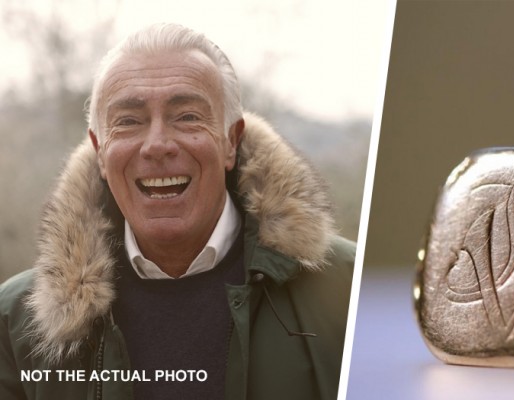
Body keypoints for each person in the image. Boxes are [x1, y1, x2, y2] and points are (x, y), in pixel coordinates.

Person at [0, 23, 355, 400]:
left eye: (187, 116)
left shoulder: (349, 290)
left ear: (231, 141)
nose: (157, 145)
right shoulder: (14, 324)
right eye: (129, 121)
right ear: (100, 150)